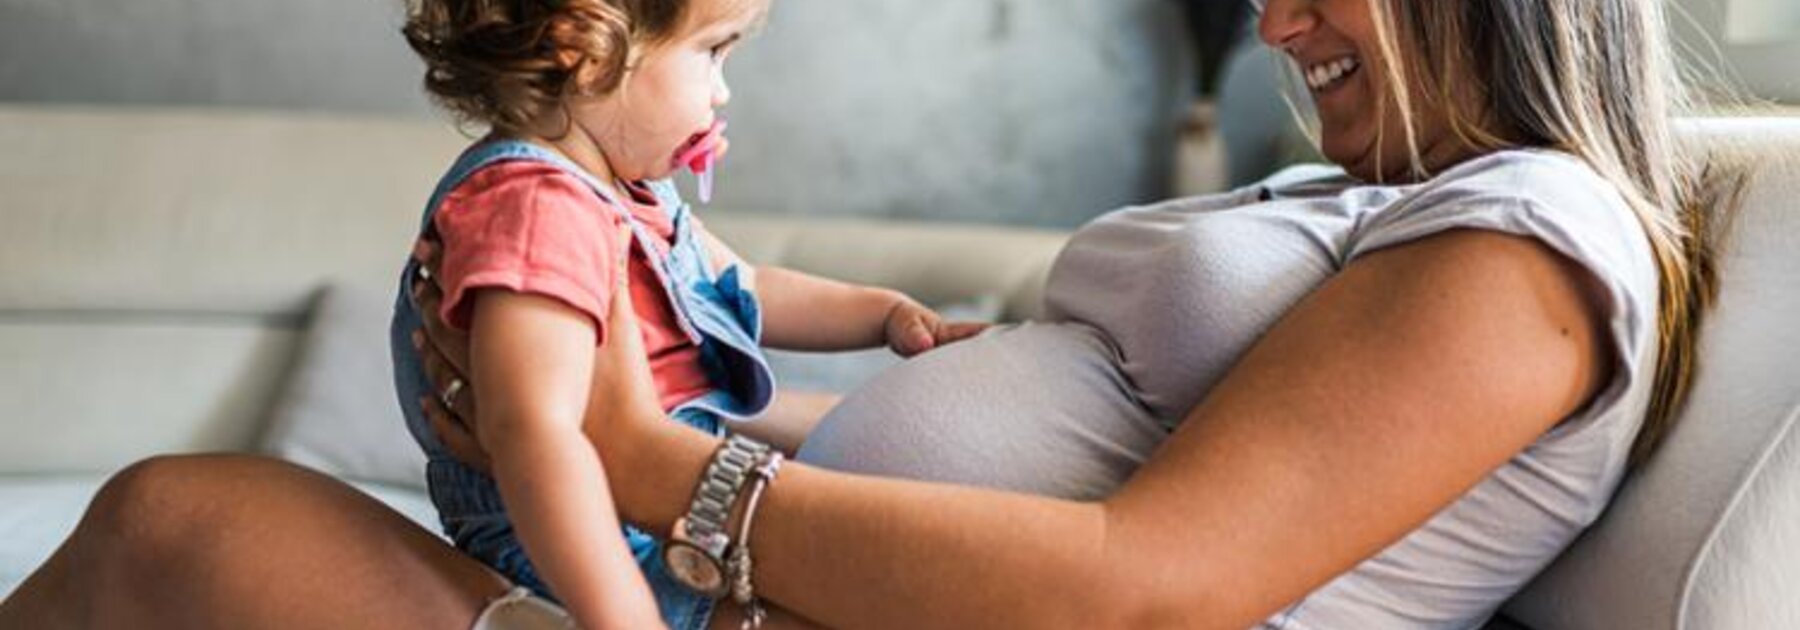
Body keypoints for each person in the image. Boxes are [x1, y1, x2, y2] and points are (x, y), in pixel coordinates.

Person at [0, 0, 1740, 628]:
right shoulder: (1389, 202)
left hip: (762, 601)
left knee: (169, 529)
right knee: (164, 538)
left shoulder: (1530, 243)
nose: (1278, 22)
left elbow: (1157, 586)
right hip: (746, 566)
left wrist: (643, 462)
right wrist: (712, 429)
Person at [386, 0, 987, 627]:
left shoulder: (622, 191)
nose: (722, 92)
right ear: (584, 49)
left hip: (652, 515)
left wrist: (884, 314)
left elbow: (745, 284)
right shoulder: (538, 208)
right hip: (583, 553)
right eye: (712, 52)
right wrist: (622, 616)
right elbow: (535, 434)